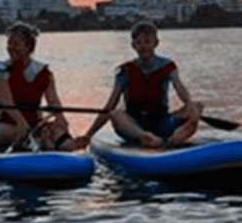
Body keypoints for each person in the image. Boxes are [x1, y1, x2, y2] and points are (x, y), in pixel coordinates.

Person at [73, 21, 203, 149]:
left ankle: (175, 138)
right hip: (134, 125)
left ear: (155, 43)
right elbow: (109, 106)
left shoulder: (168, 66)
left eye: (147, 42)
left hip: (161, 122)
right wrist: (88, 135)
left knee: (197, 106)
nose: (143, 46)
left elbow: (180, 88)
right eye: (139, 43)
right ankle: (145, 137)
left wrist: (190, 106)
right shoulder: (125, 71)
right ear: (133, 45)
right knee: (115, 113)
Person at [0, 22, 73, 151]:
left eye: (15, 44)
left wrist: (61, 119)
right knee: (8, 131)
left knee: (58, 129)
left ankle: (65, 143)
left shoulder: (44, 73)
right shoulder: (1, 71)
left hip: (35, 124)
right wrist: (22, 124)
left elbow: (53, 101)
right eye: (9, 43)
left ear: (28, 47)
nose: (10, 48)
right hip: (6, 123)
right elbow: (6, 101)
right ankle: (41, 142)